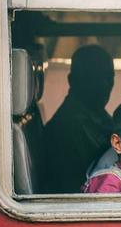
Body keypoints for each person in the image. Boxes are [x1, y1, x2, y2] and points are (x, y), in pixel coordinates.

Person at [40, 45, 115, 193]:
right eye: (94, 77)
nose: (104, 85)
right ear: (72, 80)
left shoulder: (97, 115)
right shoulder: (64, 130)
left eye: (109, 77)